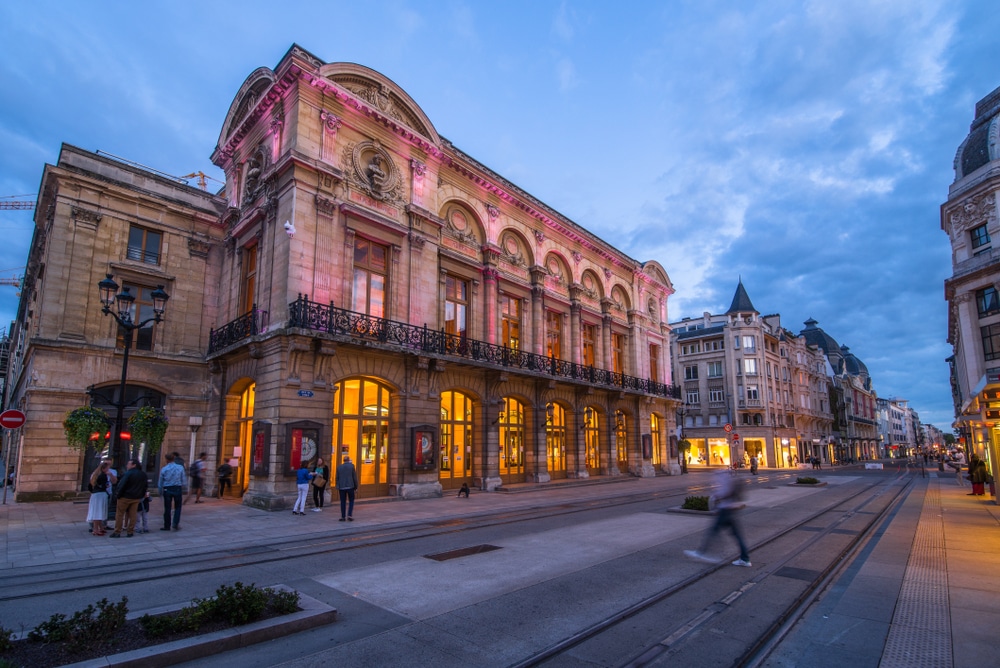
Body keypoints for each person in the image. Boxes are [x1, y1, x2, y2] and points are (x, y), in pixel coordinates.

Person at [685, 468, 752, 567]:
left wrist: (717, 496)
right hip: (730, 511)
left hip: (725, 511)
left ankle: (701, 552)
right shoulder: (730, 478)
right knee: (736, 535)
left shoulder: (725, 479)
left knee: (713, 532)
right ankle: (745, 559)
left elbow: (725, 493)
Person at [111, 458, 148, 538]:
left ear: (134, 465)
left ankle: (117, 531)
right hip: (136, 497)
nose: (127, 465)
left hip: (125, 497)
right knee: (133, 515)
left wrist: (118, 495)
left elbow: (121, 485)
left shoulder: (128, 474)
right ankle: (130, 531)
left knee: (120, 514)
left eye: (129, 464)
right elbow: (145, 486)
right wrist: (141, 495)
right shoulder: (143, 474)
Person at [158, 452, 185, 530]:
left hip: (167, 488)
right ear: (174, 459)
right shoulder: (180, 467)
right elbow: (183, 479)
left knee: (167, 508)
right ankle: (175, 523)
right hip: (177, 488)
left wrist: (160, 491)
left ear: (166, 460)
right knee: (178, 507)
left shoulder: (164, 469)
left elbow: (160, 481)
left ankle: (167, 525)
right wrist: (184, 487)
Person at [86, 461, 112, 536]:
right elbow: (105, 485)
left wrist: (93, 491)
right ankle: (96, 529)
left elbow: (90, 486)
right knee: (99, 511)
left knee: (96, 511)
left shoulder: (95, 474)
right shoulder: (103, 475)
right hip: (101, 494)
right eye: (107, 468)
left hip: (95, 494)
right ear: (103, 469)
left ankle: (99, 528)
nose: (108, 469)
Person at [336, 453, 359, 521]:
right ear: (348, 460)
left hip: (342, 487)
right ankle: (349, 515)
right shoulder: (351, 466)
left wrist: (338, 486)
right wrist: (356, 486)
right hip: (350, 486)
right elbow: (354, 477)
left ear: (343, 460)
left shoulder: (339, 467)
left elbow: (337, 478)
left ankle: (343, 516)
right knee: (351, 501)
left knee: (343, 502)